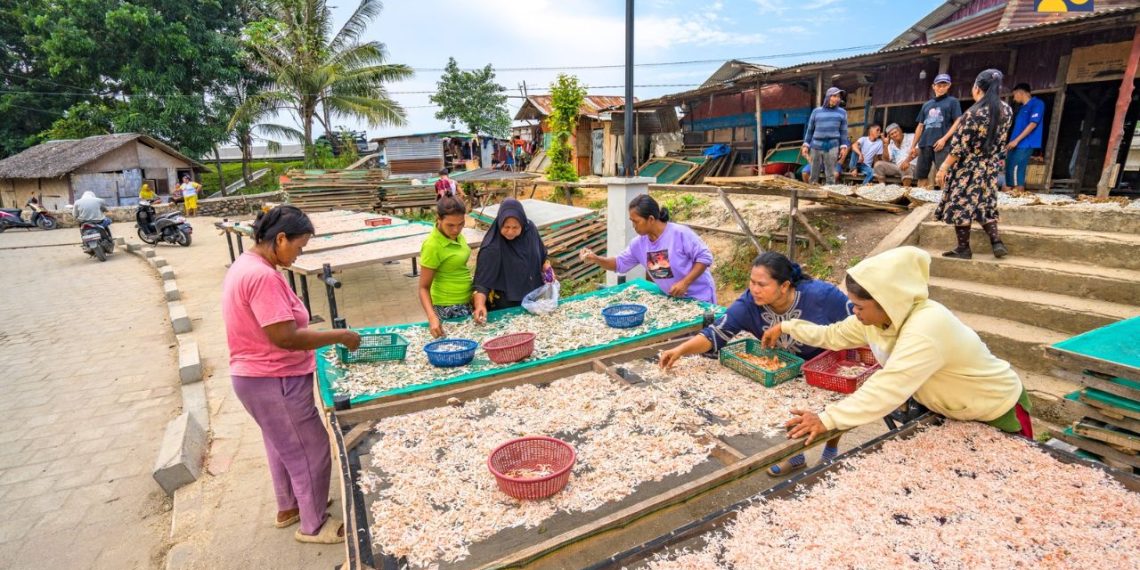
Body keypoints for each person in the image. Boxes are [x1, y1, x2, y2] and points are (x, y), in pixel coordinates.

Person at [761, 246, 1032, 445]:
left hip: (995, 410)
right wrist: (786, 327)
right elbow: (832, 335)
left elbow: (890, 385)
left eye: (859, 306)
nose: (853, 311)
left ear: (888, 302)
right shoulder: (876, 320)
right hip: (952, 410)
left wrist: (828, 418)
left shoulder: (928, 326)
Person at [220, 205, 361, 545]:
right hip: (273, 378)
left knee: (281, 443)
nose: (299, 255)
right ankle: (313, 525)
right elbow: (284, 337)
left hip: (257, 377)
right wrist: (338, 336)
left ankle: (290, 506)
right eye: (298, 247)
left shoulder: (248, 263)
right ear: (280, 238)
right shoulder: (262, 276)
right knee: (310, 448)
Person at [659, 252, 853, 475]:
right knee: (791, 407)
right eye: (752, 282)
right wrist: (680, 350)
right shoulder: (749, 304)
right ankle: (796, 455)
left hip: (827, 361)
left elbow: (857, 321)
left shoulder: (821, 296)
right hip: (787, 367)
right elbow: (717, 332)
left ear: (784, 286)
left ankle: (830, 450)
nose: (754, 289)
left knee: (833, 406)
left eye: (762, 284)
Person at [579, 195, 716, 304]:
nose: (633, 226)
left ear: (650, 219)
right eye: (631, 221)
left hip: (700, 298)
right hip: (674, 301)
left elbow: (704, 258)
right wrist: (595, 259)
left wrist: (685, 282)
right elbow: (619, 264)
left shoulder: (680, 234)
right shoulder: (638, 244)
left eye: (636, 221)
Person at [936, 69, 1014, 260]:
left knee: (961, 203)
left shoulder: (974, 113)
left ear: (977, 88)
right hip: (989, 167)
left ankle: (963, 248)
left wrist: (943, 167)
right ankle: (996, 242)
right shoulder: (1007, 110)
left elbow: (960, 147)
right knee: (984, 203)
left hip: (968, 167)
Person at [472, 199, 554, 323]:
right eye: (506, 227)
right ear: (500, 223)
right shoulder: (492, 248)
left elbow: (542, 255)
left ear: (522, 224)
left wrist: (547, 267)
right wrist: (479, 305)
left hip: (534, 299)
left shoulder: (530, 230)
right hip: (507, 304)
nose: (510, 232)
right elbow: (482, 283)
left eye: (515, 227)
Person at [418, 196, 473, 338]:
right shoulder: (432, 245)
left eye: (461, 224)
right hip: (447, 307)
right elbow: (423, 288)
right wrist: (432, 318)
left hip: (465, 301)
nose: (456, 229)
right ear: (439, 219)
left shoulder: (457, 236)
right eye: (450, 225)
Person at [910, 74, 963, 188]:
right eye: (939, 85)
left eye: (944, 85)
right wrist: (913, 146)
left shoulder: (952, 101)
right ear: (933, 86)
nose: (941, 88)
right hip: (924, 144)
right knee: (921, 175)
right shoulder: (927, 105)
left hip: (942, 144)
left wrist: (944, 139)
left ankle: (944, 202)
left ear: (949, 86)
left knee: (943, 175)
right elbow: (920, 126)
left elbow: (958, 121)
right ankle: (919, 201)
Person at [801, 86, 849, 185]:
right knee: (814, 175)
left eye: (838, 96)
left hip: (832, 146)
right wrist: (806, 145)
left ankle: (827, 198)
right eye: (834, 96)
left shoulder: (842, 112)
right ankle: (813, 197)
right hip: (816, 145)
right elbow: (810, 130)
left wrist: (843, 146)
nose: (837, 99)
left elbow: (843, 131)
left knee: (831, 175)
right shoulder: (816, 111)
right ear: (828, 97)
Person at [1004, 83, 1045, 193]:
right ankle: (1010, 195)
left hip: (1026, 143)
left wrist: (1016, 140)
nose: (1014, 98)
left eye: (1014, 95)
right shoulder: (1022, 109)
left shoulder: (1037, 104)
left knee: (1017, 169)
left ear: (1020, 93)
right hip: (1015, 143)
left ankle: (1017, 196)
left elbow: (1033, 124)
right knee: (1009, 167)